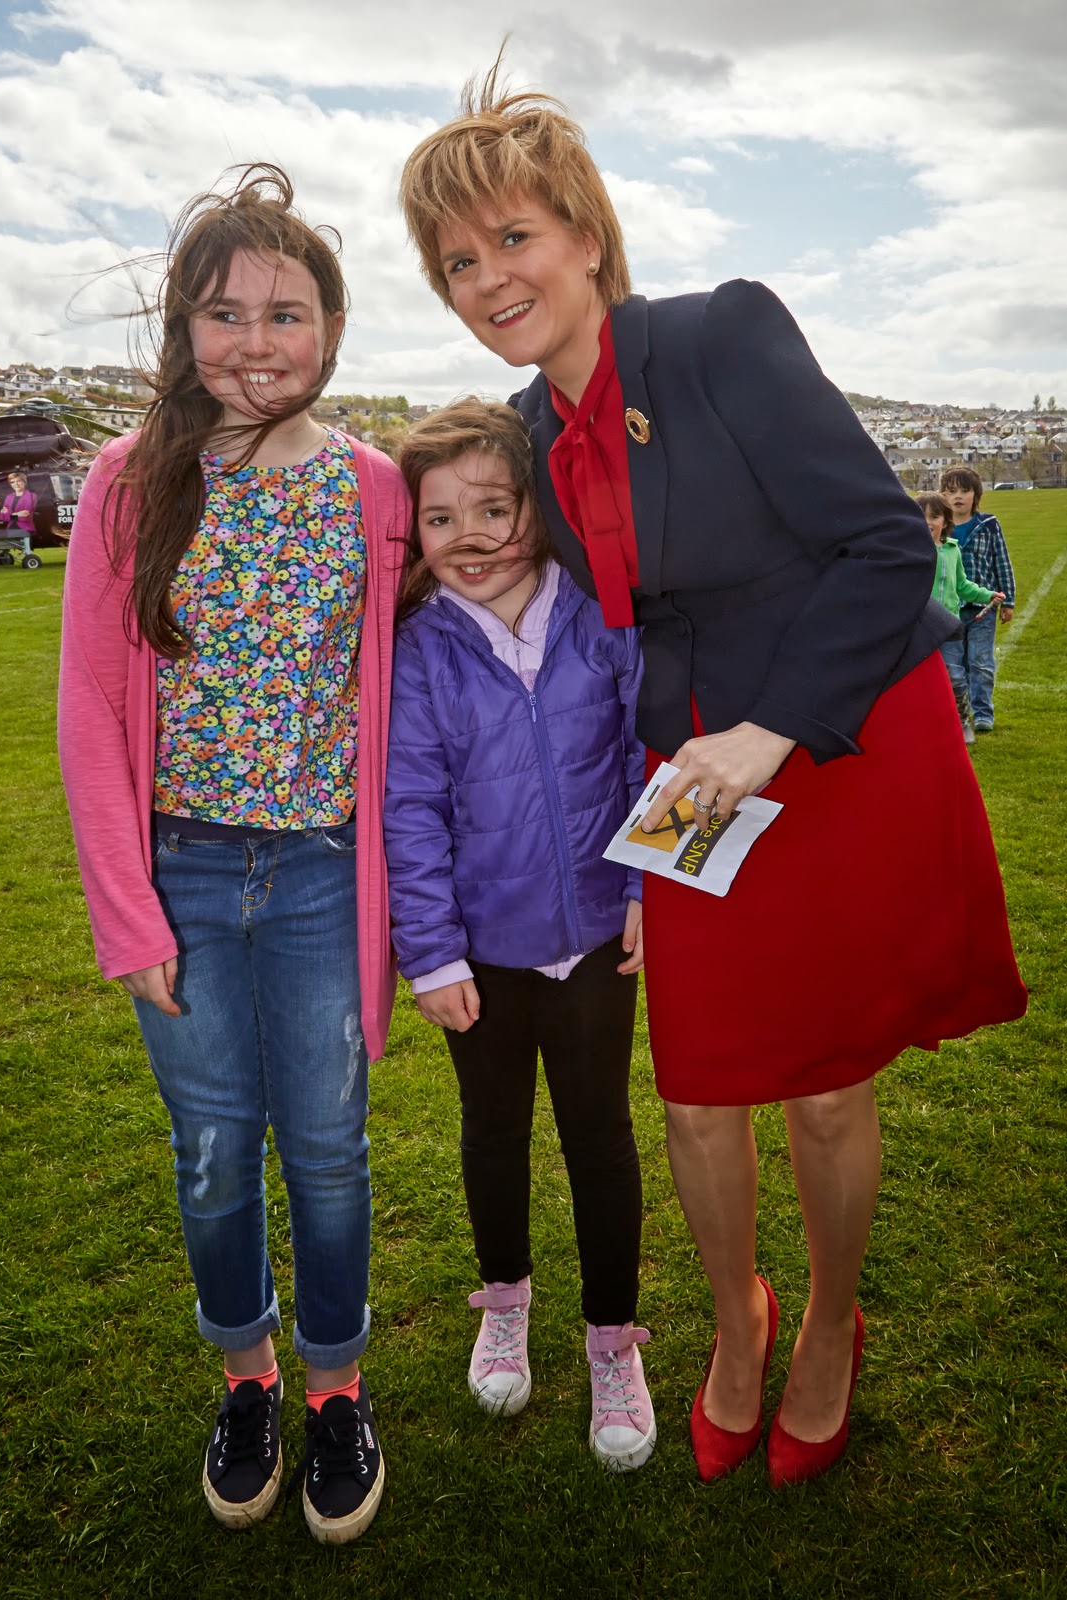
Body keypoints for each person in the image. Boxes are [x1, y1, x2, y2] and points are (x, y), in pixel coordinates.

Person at [399, 74, 1028, 1488]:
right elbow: (561, 636)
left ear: (584, 237)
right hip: (683, 786)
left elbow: (883, 548)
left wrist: (771, 733)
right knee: (694, 1096)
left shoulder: (719, 334)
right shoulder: (522, 434)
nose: (488, 278)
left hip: (841, 745)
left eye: (511, 238)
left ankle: (820, 1325)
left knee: (822, 1094)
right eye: (456, 262)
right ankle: (731, 1326)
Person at [58, 165, 407, 1544]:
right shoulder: (129, 483)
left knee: (325, 1150)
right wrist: (129, 917)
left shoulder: (378, 491)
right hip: (184, 870)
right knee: (212, 1154)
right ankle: (247, 1379)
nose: (255, 342)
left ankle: (334, 1389)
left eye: (285, 311)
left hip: (322, 872)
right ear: (182, 330)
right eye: (224, 313)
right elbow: (90, 708)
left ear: (330, 326)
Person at [383, 398, 655, 1471]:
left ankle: (609, 1340)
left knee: (600, 1139)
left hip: (595, 939)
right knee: (492, 1134)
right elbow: (410, 810)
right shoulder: (419, 651)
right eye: (441, 520)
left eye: (495, 508)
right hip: (483, 960)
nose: (473, 539)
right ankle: (504, 1302)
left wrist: (650, 887)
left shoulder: (601, 617)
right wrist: (434, 951)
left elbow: (651, 753)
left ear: (538, 507)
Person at [916, 491, 1003, 746]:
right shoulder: (912, 551)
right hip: (918, 627)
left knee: (954, 676)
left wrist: (987, 595)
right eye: (921, 517)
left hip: (948, 625)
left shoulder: (953, 550)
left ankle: (962, 721)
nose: (927, 522)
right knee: (919, 679)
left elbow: (962, 585)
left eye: (934, 516)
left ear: (945, 522)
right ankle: (921, 722)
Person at [939, 466, 1016, 734]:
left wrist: (1008, 601)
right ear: (942, 496)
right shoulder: (939, 530)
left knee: (981, 662)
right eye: (950, 492)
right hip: (949, 611)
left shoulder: (988, 526)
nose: (957, 496)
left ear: (976, 494)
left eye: (964, 490)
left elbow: (1002, 562)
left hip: (983, 608)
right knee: (956, 666)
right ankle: (958, 714)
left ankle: (983, 712)